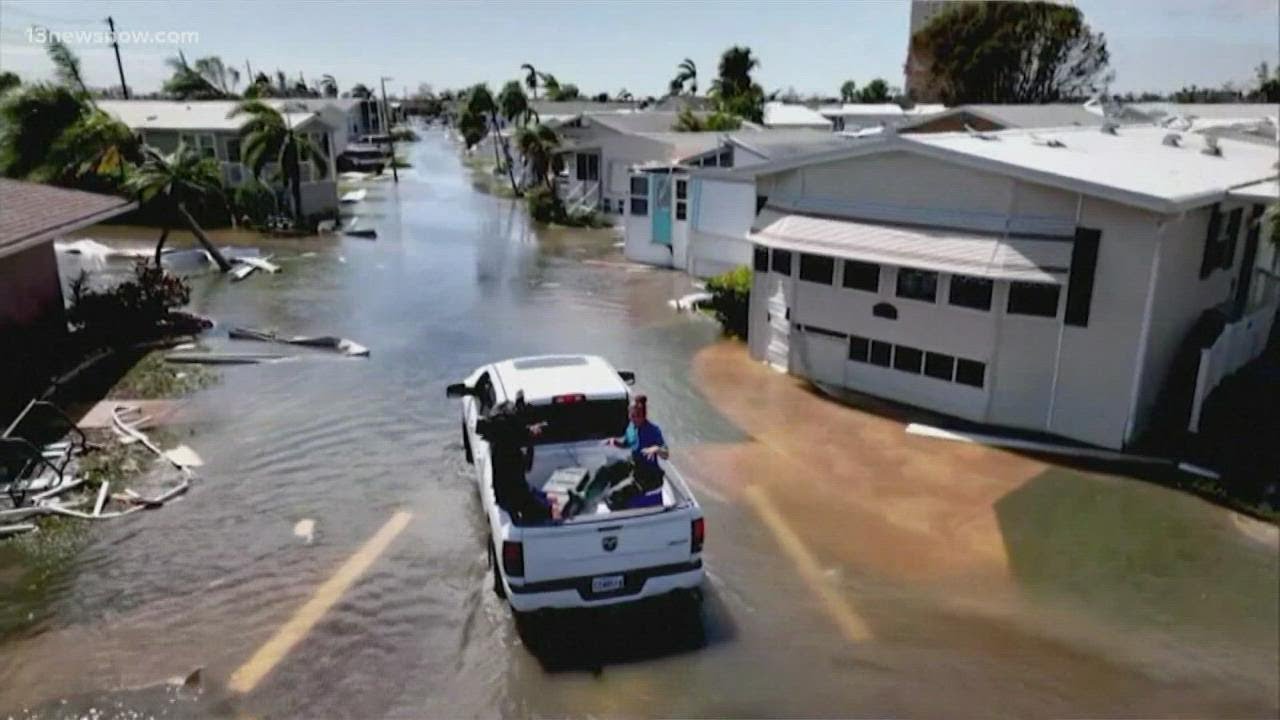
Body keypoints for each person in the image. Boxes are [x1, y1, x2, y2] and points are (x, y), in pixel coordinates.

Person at [476, 392, 556, 523]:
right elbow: (527, 467)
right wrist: (530, 440)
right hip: (516, 499)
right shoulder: (510, 450)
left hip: (510, 494)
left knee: (549, 498)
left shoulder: (500, 444)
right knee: (551, 510)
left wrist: (526, 434)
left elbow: (513, 435)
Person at [607, 395, 668, 492]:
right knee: (606, 472)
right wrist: (615, 442)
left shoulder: (653, 430)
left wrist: (656, 449)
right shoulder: (630, 427)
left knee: (617, 492)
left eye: (637, 416)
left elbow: (666, 454)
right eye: (631, 416)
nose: (634, 419)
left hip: (649, 475)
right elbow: (627, 444)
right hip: (634, 466)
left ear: (644, 416)